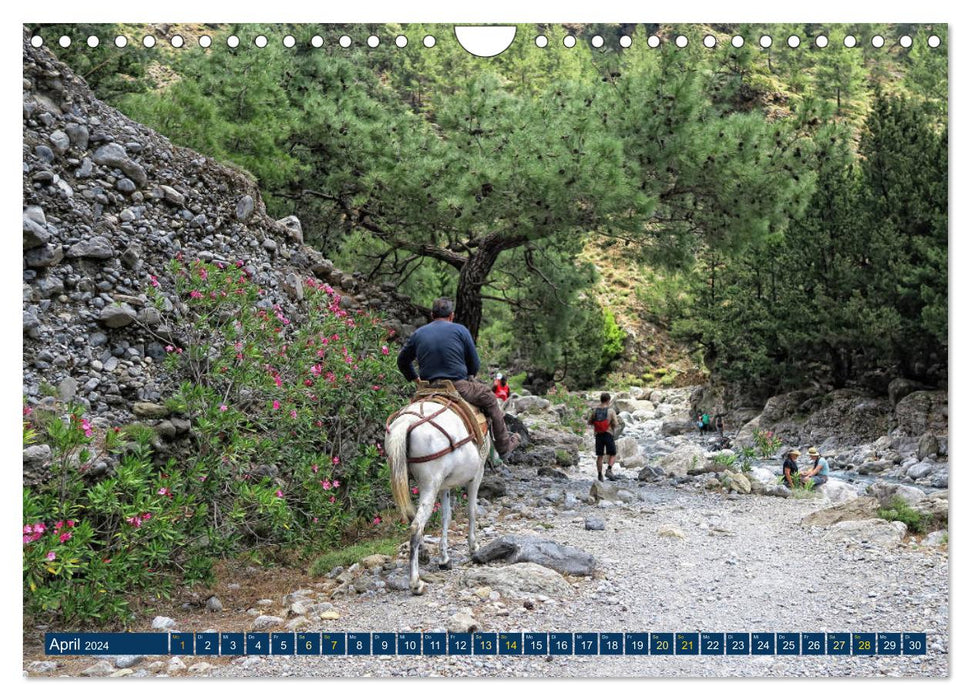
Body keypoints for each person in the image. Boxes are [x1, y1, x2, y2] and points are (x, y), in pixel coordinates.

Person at [396, 298, 521, 459]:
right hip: (458, 386)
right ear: (452, 315)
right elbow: (474, 364)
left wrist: (415, 379)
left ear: (432, 314)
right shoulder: (460, 330)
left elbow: (402, 361)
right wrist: (468, 374)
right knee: (490, 398)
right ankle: (504, 448)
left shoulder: (418, 333)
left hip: (428, 387)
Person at [589, 393, 620, 482]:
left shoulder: (595, 411)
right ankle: (609, 470)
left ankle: (599, 474)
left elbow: (590, 422)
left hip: (598, 435)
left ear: (601, 399)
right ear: (608, 400)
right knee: (613, 453)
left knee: (600, 456)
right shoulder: (611, 411)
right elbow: (615, 423)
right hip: (608, 434)